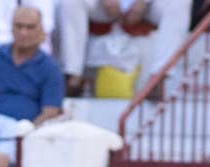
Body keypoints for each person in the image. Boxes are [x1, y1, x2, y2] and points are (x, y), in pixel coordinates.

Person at [59, 0, 191, 96]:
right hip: (104, 5)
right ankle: (72, 75)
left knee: (179, 2)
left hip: (147, 7)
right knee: (71, 2)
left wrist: (143, 2)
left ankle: (159, 78)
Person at [0, 6, 62, 124]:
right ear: (11, 28)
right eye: (19, 26)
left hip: (31, 133)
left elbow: (50, 111)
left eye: (30, 27)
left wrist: (26, 133)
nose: (23, 32)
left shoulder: (50, 68)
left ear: (41, 29)